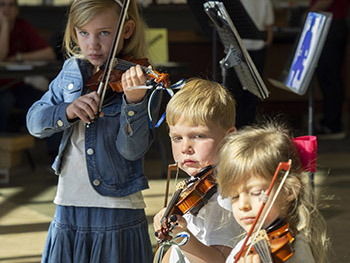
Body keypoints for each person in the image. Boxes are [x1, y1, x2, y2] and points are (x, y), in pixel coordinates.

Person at [26, 0, 161, 262]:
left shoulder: (141, 82)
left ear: (127, 29)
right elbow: (34, 122)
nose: (92, 44)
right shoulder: (70, 72)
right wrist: (66, 111)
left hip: (116, 209)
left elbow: (131, 151)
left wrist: (133, 104)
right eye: (83, 33)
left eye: (104, 33)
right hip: (68, 203)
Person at [153, 78, 241, 263]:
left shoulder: (224, 197)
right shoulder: (197, 185)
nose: (185, 147)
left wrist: (180, 234)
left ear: (229, 137)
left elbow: (219, 260)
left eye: (198, 136)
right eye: (177, 138)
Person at [216, 120, 329, 263]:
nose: (242, 205)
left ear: (289, 191)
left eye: (256, 193)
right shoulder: (244, 246)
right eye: (234, 196)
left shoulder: (295, 251)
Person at [0, 0, 56, 132]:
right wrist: (5, 25)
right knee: (5, 101)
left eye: (11, 4)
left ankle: (50, 151)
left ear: (17, 9)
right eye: (2, 4)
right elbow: (1, 57)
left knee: (46, 101)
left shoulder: (22, 25)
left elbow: (49, 54)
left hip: (16, 84)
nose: (7, 9)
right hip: (2, 87)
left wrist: (19, 57)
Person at [224, 0, 274, 128]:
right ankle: (248, 128)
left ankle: (236, 127)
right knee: (252, 93)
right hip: (256, 48)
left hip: (237, 47)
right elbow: (269, 27)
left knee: (235, 93)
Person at [309, 0, 349, 139]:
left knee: (330, 76)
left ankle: (333, 124)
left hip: (331, 24)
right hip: (330, 23)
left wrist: (309, 12)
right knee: (327, 76)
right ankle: (330, 122)